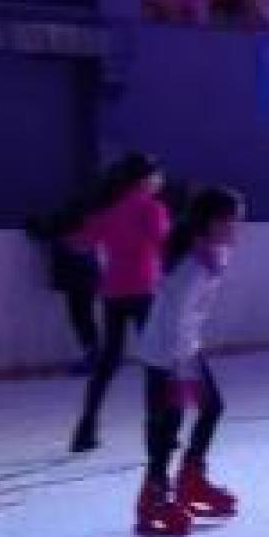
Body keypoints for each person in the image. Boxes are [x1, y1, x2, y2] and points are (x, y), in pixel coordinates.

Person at [133, 187, 246, 537]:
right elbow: (175, 318)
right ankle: (153, 494)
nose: (235, 230)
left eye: (238, 222)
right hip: (166, 353)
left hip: (186, 348)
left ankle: (191, 479)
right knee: (168, 422)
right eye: (229, 222)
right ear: (209, 222)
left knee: (211, 407)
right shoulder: (191, 265)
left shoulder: (213, 253)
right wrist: (178, 366)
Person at [69, 154, 173, 454]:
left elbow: (81, 242)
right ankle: (158, 432)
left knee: (107, 363)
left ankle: (86, 428)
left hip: (113, 292)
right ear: (145, 179)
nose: (160, 181)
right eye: (157, 176)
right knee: (156, 361)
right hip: (145, 290)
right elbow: (164, 243)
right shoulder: (153, 209)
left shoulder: (109, 210)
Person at [24, 197, 102, 375]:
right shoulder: (87, 226)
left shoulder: (60, 228)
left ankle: (93, 355)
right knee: (85, 315)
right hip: (88, 276)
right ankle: (94, 354)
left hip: (76, 278)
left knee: (80, 316)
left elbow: (37, 231)